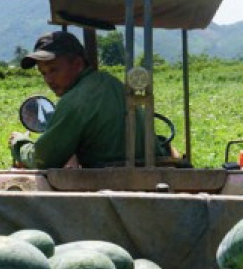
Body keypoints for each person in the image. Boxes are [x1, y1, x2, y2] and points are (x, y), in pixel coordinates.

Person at [9, 31, 155, 169]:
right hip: (148, 169)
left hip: (111, 182)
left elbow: (42, 159)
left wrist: (20, 144)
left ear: (78, 64)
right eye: (43, 73)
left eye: (53, 70)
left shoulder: (74, 102)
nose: (48, 79)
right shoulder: (112, 82)